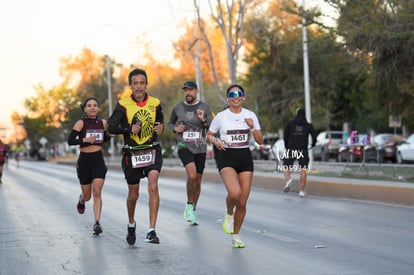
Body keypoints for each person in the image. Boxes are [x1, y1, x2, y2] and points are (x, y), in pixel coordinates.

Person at [108, 68, 164, 245]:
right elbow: (110, 127)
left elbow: (159, 121)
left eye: (142, 83)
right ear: (130, 86)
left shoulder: (155, 102)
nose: (139, 87)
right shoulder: (123, 104)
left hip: (151, 150)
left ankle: (151, 230)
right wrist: (127, 129)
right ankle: (131, 223)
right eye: (135, 83)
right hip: (132, 153)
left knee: (153, 184)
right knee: (133, 195)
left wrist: (160, 127)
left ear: (146, 84)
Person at [206, 84, 263, 248]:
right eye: (232, 94)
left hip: (245, 157)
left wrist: (252, 127)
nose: (236, 96)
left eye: (239, 94)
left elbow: (260, 141)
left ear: (244, 97)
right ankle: (229, 213)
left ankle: (236, 236)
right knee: (235, 192)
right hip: (227, 157)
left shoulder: (250, 115)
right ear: (228, 98)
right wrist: (216, 140)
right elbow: (208, 136)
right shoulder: (221, 117)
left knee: (243, 202)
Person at [167, 80, 213, 225]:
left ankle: (192, 210)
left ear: (196, 91)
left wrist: (203, 120)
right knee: (192, 175)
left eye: (191, 90)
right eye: (186, 90)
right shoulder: (178, 108)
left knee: (198, 180)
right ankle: (188, 204)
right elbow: (170, 123)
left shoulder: (204, 107)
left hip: (200, 148)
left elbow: (211, 126)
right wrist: (175, 129)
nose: (188, 93)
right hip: (184, 146)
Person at [67, 97, 111, 235]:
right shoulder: (81, 123)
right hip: (84, 161)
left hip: (98, 160)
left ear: (98, 108)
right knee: (88, 196)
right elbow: (70, 141)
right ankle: (81, 199)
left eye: (95, 105)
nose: (92, 107)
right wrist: (85, 139)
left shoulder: (103, 123)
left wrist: (111, 135)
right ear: (85, 109)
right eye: (89, 105)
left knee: (97, 191)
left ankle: (97, 223)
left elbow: (105, 138)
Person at [282, 108, 317, 197]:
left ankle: (289, 180)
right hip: (303, 149)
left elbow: (285, 136)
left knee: (286, 166)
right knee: (303, 169)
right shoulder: (308, 125)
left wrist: (287, 145)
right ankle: (301, 191)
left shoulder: (290, 124)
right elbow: (314, 136)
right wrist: (312, 144)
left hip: (291, 148)